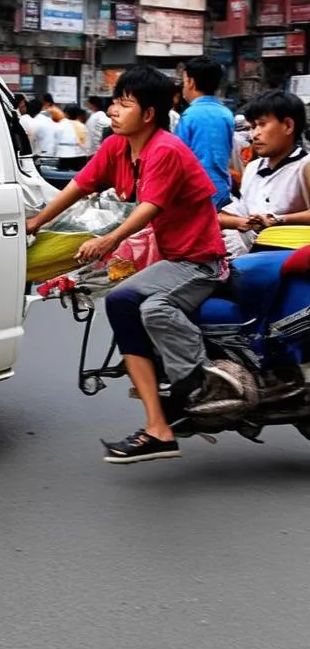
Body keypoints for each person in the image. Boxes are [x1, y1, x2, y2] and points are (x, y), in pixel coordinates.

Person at [25, 65, 236, 464]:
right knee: (121, 302)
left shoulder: (165, 150)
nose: (114, 112)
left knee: (151, 307)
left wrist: (108, 240)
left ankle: (198, 386)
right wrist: (37, 222)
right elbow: (79, 185)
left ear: (150, 114)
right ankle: (158, 425)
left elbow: (151, 205)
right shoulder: (116, 147)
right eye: (114, 103)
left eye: (124, 104)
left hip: (200, 261)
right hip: (171, 257)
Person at [219, 90, 310, 257]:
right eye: (253, 127)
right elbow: (239, 212)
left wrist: (278, 219)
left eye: (262, 124)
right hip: (252, 253)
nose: (255, 135)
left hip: (292, 256)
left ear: (288, 126)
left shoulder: (304, 165)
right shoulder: (253, 168)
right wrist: (243, 222)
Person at [175, 57, 234, 210]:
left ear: (191, 82)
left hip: (196, 192)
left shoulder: (189, 116)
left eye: (184, 82)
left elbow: (177, 159)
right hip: (222, 190)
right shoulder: (226, 114)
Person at [56, 104, 88, 171]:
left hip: (64, 156)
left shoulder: (60, 125)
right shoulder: (82, 126)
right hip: (80, 157)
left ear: (66, 113)